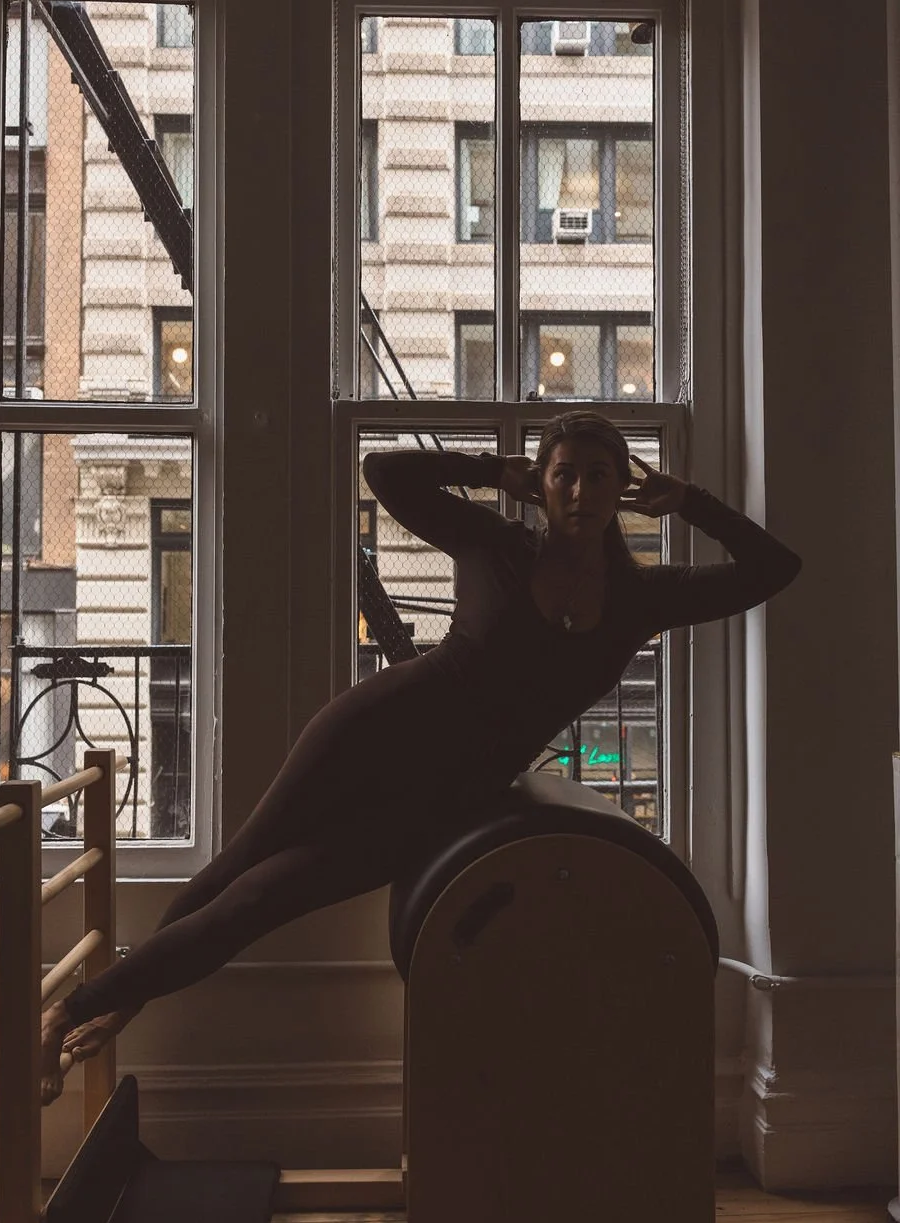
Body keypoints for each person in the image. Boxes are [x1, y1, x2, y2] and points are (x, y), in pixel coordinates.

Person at [40, 409, 802, 1103]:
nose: (580, 491)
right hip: (372, 732)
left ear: (623, 487)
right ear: (540, 484)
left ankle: (97, 1002)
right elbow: (384, 472)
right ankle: (91, 1008)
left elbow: (774, 569)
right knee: (233, 869)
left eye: (598, 475)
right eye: (562, 473)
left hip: (437, 801)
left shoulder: (644, 599)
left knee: (255, 904)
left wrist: (690, 501)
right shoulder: (495, 544)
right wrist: (488, 469)